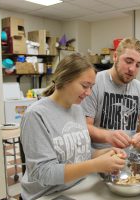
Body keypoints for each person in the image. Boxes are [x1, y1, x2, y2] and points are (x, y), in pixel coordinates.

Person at [20, 53, 126, 200]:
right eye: (84, 86)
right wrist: (96, 165)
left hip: (76, 187)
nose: (88, 93)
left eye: (91, 87)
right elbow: (44, 173)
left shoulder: (77, 108)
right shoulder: (36, 115)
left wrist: (104, 154)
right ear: (63, 80)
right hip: (47, 195)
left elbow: (80, 153)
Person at [82, 37, 140, 150]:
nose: (132, 69)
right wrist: (108, 136)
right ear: (115, 57)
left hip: (127, 157)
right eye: (128, 61)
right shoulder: (95, 83)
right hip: (99, 157)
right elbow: (84, 127)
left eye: (138, 65)